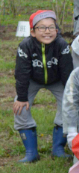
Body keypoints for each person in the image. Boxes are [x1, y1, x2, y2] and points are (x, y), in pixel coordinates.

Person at [14, 10, 73, 162]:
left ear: (57, 30)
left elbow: (67, 71)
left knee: (70, 106)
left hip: (57, 79)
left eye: (51, 27)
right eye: (41, 28)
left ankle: (58, 148)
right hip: (32, 79)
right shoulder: (25, 45)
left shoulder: (61, 45)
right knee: (19, 107)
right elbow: (22, 73)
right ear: (33, 32)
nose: (47, 31)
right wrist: (21, 97)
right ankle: (31, 152)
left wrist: (70, 96)